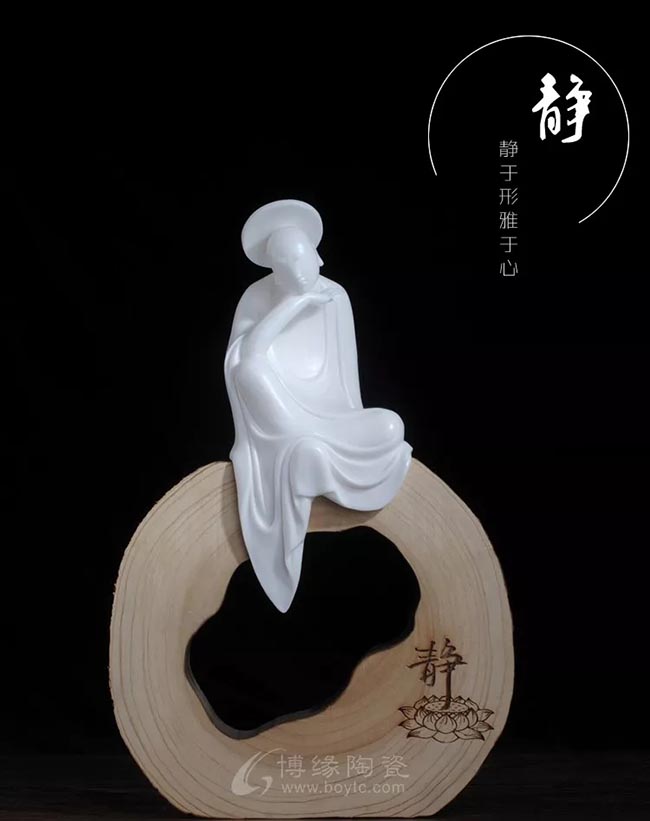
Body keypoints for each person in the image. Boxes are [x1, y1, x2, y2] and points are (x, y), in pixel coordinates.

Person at [224, 200, 412, 612]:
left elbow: (346, 385)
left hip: (331, 420)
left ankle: (311, 447)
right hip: (281, 421)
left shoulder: (336, 296)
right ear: (273, 271)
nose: (297, 273)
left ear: (317, 256)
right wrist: (293, 304)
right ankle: (304, 448)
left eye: (301, 260)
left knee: (391, 427)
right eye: (284, 266)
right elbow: (246, 358)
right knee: (249, 372)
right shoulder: (257, 297)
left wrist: (341, 420)